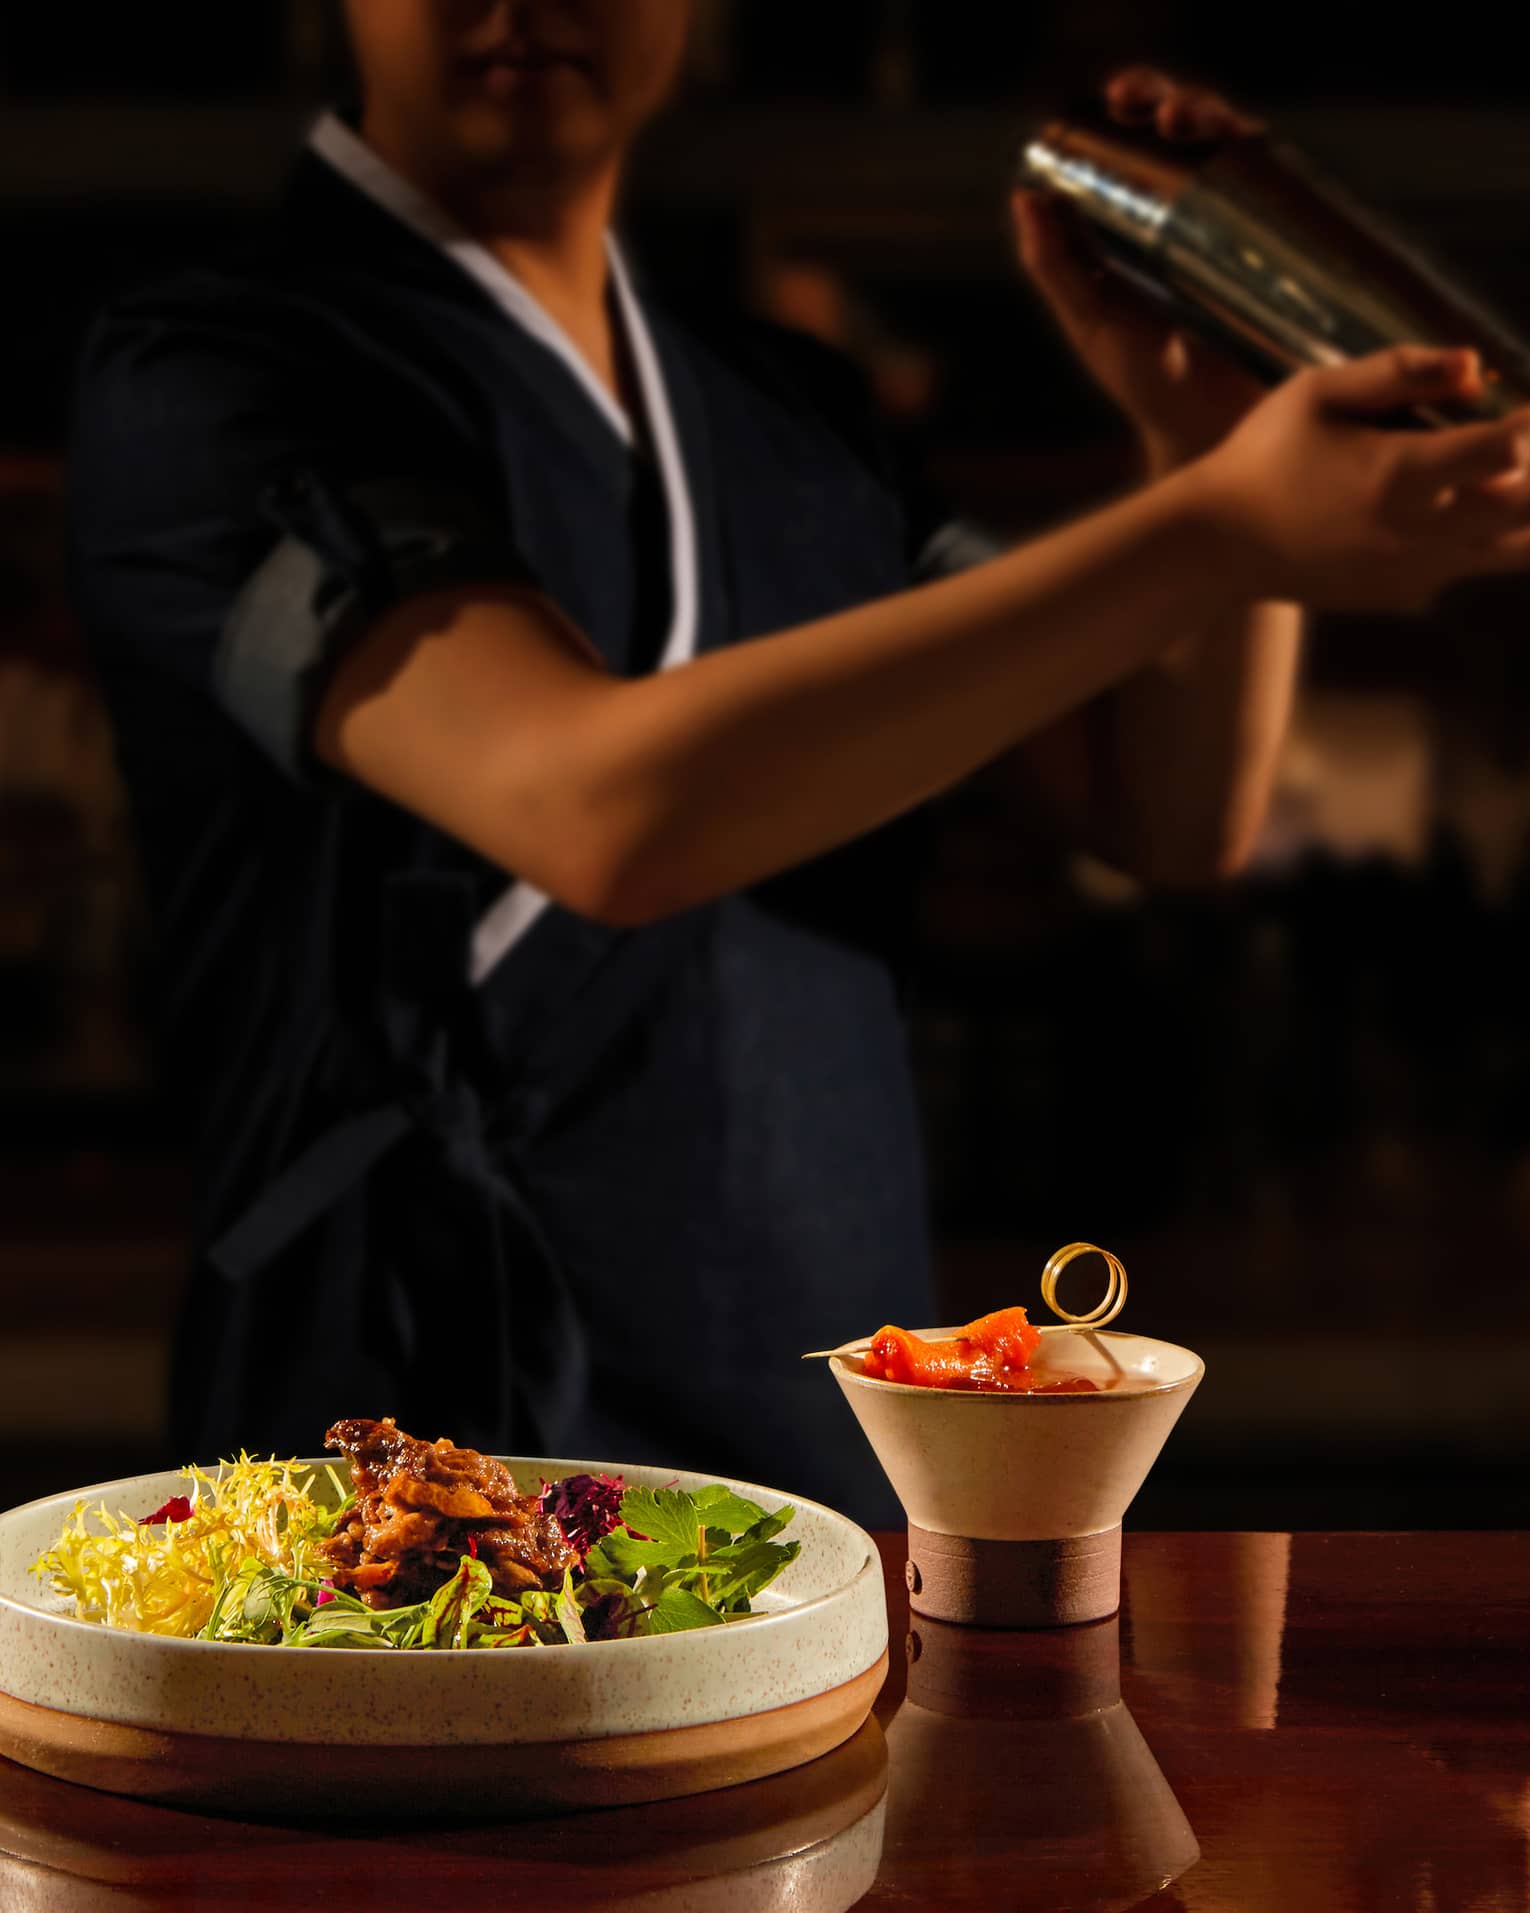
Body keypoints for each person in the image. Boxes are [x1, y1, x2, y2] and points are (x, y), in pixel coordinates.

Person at [67, 7, 1530, 1528]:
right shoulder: (208, 376)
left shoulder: (793, 413)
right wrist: (1221, 526)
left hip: (812, 1435)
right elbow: (596, 807)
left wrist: (1197, 437)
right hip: (408, 1438)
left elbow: (1165, 807)